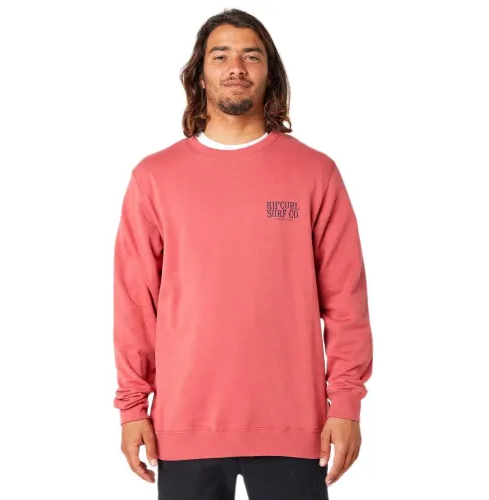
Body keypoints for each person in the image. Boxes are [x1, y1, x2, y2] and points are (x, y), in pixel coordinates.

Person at [112, 8, 373, 499]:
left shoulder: (314, 172)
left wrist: (346, 404)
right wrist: (132, 407)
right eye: (221, 55)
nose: (236, 67)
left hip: (297, 427)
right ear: (200, 74)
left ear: (270, 71)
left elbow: (346, 300)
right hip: (184, 425)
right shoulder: (155, 177)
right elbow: (134, 303)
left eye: (251, 56)